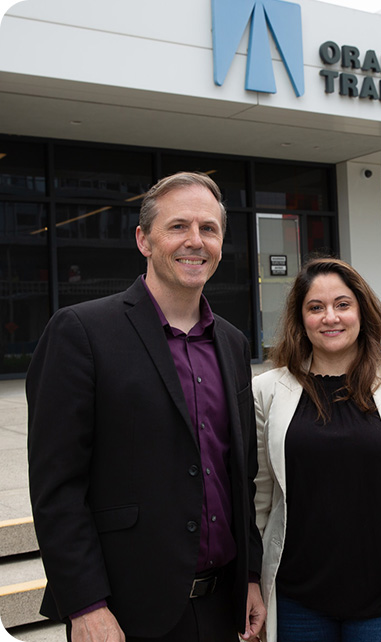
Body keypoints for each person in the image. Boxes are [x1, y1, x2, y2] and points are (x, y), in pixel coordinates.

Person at [27, 172, 266, 642]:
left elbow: (239, 476)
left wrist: (251, 576)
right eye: (178, 226)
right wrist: (85, 605)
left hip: (223, 608)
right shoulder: (81, 331)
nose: (195, 241)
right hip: (124, 613)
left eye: (209, 229)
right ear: (143, 240)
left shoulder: (233, 343)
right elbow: (57, 487)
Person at [252, 257, 381, 642]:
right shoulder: (268, 391)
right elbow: (260, 501)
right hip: (296, 602)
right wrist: (251, 584)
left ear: (362, 311)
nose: (330, 317)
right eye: (316, 307)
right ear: (301, 319)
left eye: (342, 304)